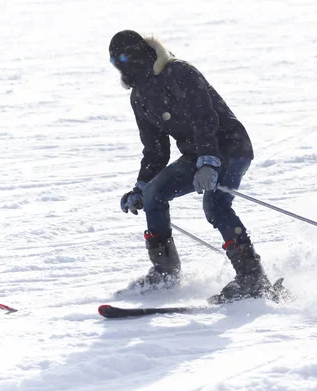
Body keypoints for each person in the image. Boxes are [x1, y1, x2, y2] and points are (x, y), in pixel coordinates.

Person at [109, 30, 286, 304]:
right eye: (114, 61)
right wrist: (141, 186)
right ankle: (165, 274)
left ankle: (252, 278)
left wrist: (209, 161)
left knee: (216, 206)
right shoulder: (139, 96)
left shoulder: (178, 73)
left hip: (230, 147)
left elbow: (204, 119)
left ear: (137, 53)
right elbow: (155, 150)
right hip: (197, 155)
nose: (120, 65)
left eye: (122, 57)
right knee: (154, 194)